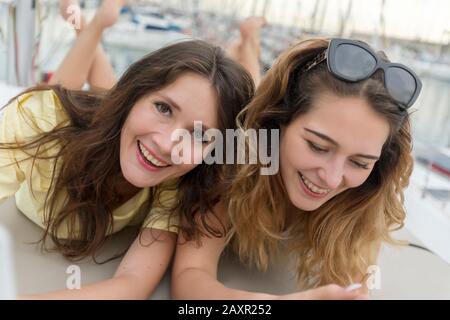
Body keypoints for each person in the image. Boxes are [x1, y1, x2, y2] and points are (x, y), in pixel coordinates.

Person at [0, 0, 254, 299]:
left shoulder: (179, 178)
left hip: (115, 119)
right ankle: (89, 23)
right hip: (87, 120)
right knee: (65, 92)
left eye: (199, 135)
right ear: (133, 94)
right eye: (163, 108)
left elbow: (132, 284)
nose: (166, 144)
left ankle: (93, 24)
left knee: (107, 99)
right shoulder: (39, 121)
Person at [171, 35, 421, 299]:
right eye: (317, 146)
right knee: (247, 76)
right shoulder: (229, 162)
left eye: (360, 162)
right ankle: (246, 42)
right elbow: (189, 279)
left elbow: (358, 286)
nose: (332, 179)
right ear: (278, 121)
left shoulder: (367, 198)